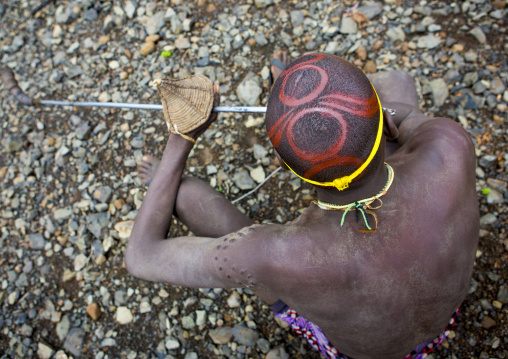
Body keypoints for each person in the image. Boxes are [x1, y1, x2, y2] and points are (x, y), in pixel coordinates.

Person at [125, 51, 479, 359]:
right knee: (396, 82)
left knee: (185, 194)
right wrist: (362, 112)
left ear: (281, 165)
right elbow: (403, 119)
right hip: (443, 320)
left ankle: (165, 178)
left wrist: (180, 138)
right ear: (386, 124)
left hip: (357, 353)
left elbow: (142, 256)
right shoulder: (450, 145)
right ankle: (320, 103)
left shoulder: (277, 254)